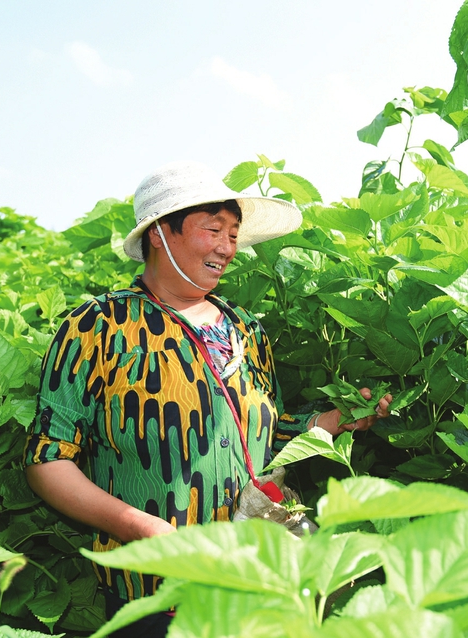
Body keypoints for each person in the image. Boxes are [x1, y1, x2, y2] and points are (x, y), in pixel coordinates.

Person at [24, 161, 392, 637]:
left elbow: (262, 433)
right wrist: (140, 527)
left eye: (234, 234)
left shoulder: (245, 329)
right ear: (159, 234)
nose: (227, 247)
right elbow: (46, 461)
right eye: (213, 230)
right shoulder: (99, 326)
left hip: (257, 578)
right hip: (154, 591)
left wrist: (332, 421)